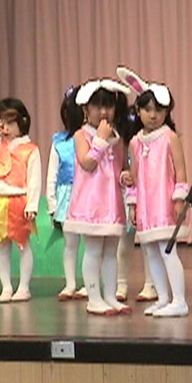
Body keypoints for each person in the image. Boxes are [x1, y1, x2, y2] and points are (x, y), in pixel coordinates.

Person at [118, 66, 189, 318]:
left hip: (164, 204)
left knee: (167, 251)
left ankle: (179, 300)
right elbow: (135, 176)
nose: (153, 115)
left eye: (159, 110)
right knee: (150, 252)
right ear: (138, 111)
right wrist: (132, 202)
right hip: (147, 208)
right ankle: (163, 298)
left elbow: (181, 170)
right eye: (147, 109)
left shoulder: (170, 137)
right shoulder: (135, 142)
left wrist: (179, 200)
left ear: (167, 111)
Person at [63, 78, 133, 315]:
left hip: (112, 204)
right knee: (93, 250)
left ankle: (110, 296)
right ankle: (94, 299)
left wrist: (125, 176)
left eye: (108, 106)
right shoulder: (81, 135)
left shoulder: (117, 137)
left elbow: (120, 167)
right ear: (86, 109)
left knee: (111, 253)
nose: (104, 112)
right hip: (91, 204)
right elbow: (87, 163)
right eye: (97, 106)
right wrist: (101, 140)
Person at [0, 98, 41, 303]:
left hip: (19, 201)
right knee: (2, 246)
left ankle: (24, 287)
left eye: (10, 123)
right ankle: (6, 286)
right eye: (2, 122)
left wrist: (32, 204)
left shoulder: (30, 149)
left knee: (23, 244)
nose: (5, 128)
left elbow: (34, 179)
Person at [45, 85, 88, 301]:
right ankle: (70, 283)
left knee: (91, 244)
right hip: (67, 198)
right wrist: (52, 205)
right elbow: (52, 175)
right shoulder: (59, 142)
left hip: (89, 196)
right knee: (70, 244)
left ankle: (90, 283)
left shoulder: (92, 138)